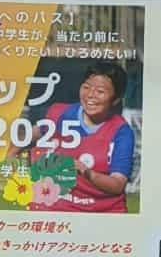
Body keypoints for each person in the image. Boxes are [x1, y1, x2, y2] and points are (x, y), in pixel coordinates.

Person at [41, 61, 137, 214]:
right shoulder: (60, 114)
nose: (90, 95)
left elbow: (118, 184)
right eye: (86, 87)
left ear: (116, 98)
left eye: (100, 91)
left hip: (103, 213)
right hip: (58, 209)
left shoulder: (122, 132)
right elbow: (29, 135)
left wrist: (87, 172)